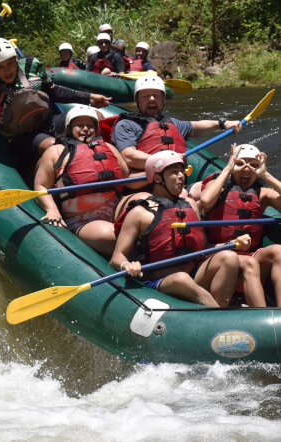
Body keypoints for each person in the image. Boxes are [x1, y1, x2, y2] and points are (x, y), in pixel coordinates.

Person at [0, 38, 111, 180]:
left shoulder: (31, 66)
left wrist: (88, 98)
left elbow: (52, 91)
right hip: (19, 137)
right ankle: (68, 182)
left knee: (94, 116)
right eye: (0, 67)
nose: (7, 70)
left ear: (16, 60)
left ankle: (104, 162)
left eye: (10, 63)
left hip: (49, 121)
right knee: (51, 145)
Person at [111, 150, 249, 307]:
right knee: (181, 279)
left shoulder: (190, 205)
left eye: (181, 171)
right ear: (157, 178)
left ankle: (217, 309)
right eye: (174, 172)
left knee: (229, 257)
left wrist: (231, 244)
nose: (181, 176)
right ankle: (221, 318)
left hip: (193, 274)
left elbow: (202, 249)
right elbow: (117, 256)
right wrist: (127, 265)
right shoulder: (140, 213)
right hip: (160, 281)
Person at [197, 143, 281, 307]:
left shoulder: (261, 194)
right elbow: (205, 200)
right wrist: (228, 169)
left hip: (248, 256)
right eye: (240, 164)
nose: (246, 170)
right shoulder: (219, 186)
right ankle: (264, 315)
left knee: (280, 251)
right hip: (216, 252)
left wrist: (266, 175)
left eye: (253, 165)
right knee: (249, 263)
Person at [34, 105, 129, 255]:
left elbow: (126, 176)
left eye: (90, 126)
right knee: (113, 235)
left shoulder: (109, 148)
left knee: (145, 202)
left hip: (115, 208)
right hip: (83, 220)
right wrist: (51, 208)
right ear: (69, 128)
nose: (85, 129)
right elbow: (40, 185)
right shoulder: (56, 152)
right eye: (79, 125)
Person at [112, 75, 243, 171]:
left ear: (163, 100)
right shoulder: (126, 124)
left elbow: (196, 128)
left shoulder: (172, 123)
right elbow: (129, 156)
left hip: (177, 181)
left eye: (156, 96)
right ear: (137, 100)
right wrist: (167, 160)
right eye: (145, 96)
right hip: (147, 181)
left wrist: (222, 123)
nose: (152, 99)